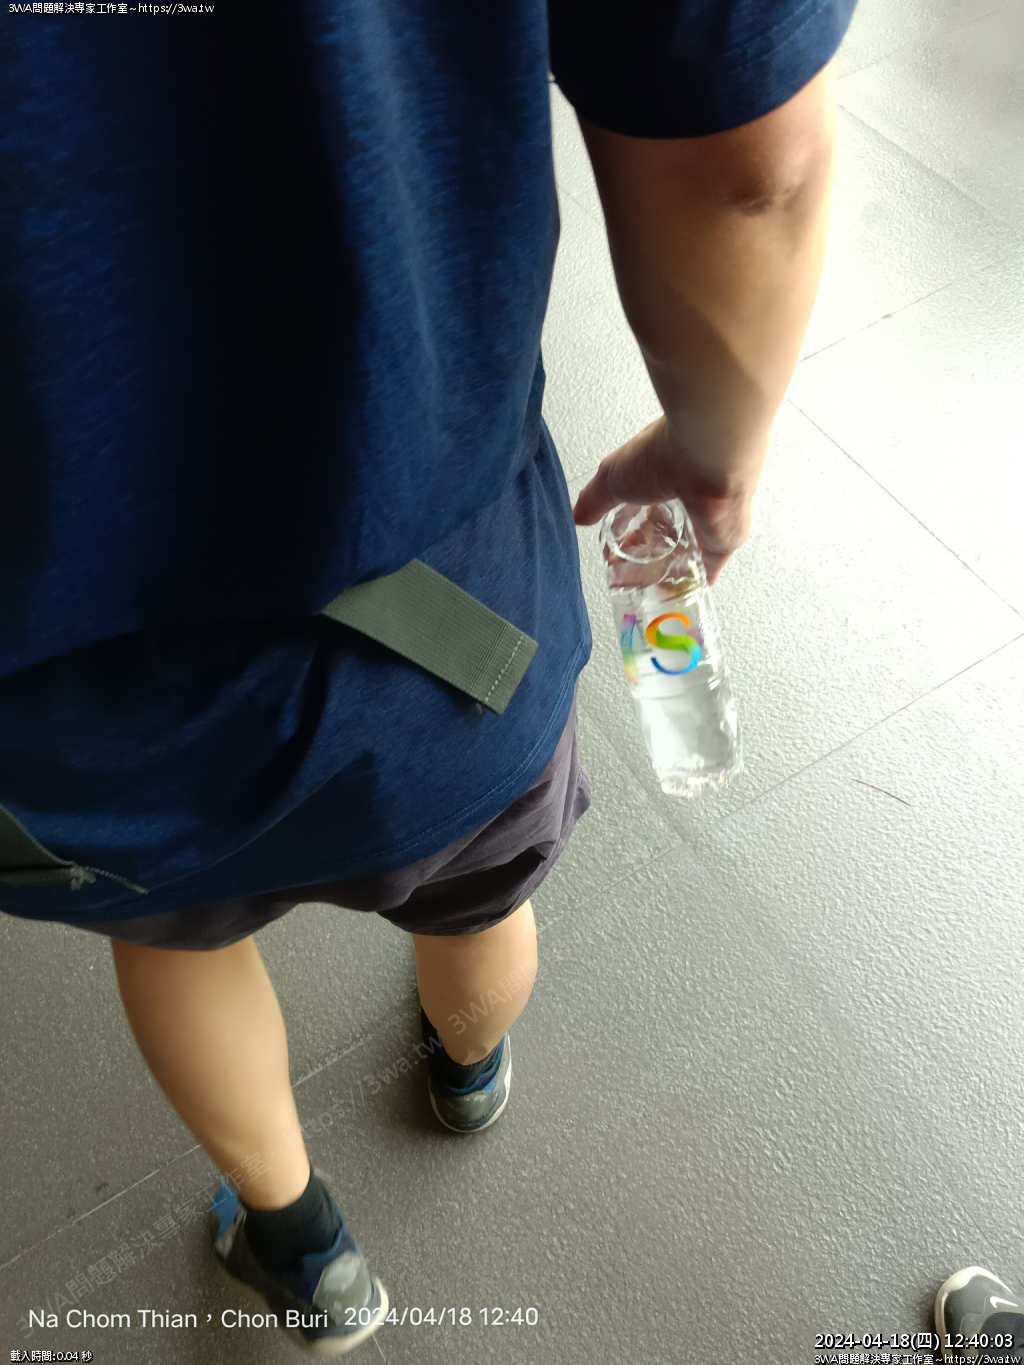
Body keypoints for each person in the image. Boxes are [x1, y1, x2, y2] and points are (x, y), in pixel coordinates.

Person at [0, 0, 853, 1354]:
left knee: (175, 942)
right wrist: (713, 450)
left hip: (79, 705)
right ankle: (465, 1071)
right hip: (449, 633)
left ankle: (303, 1251)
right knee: (476, 893)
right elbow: (750, 165)